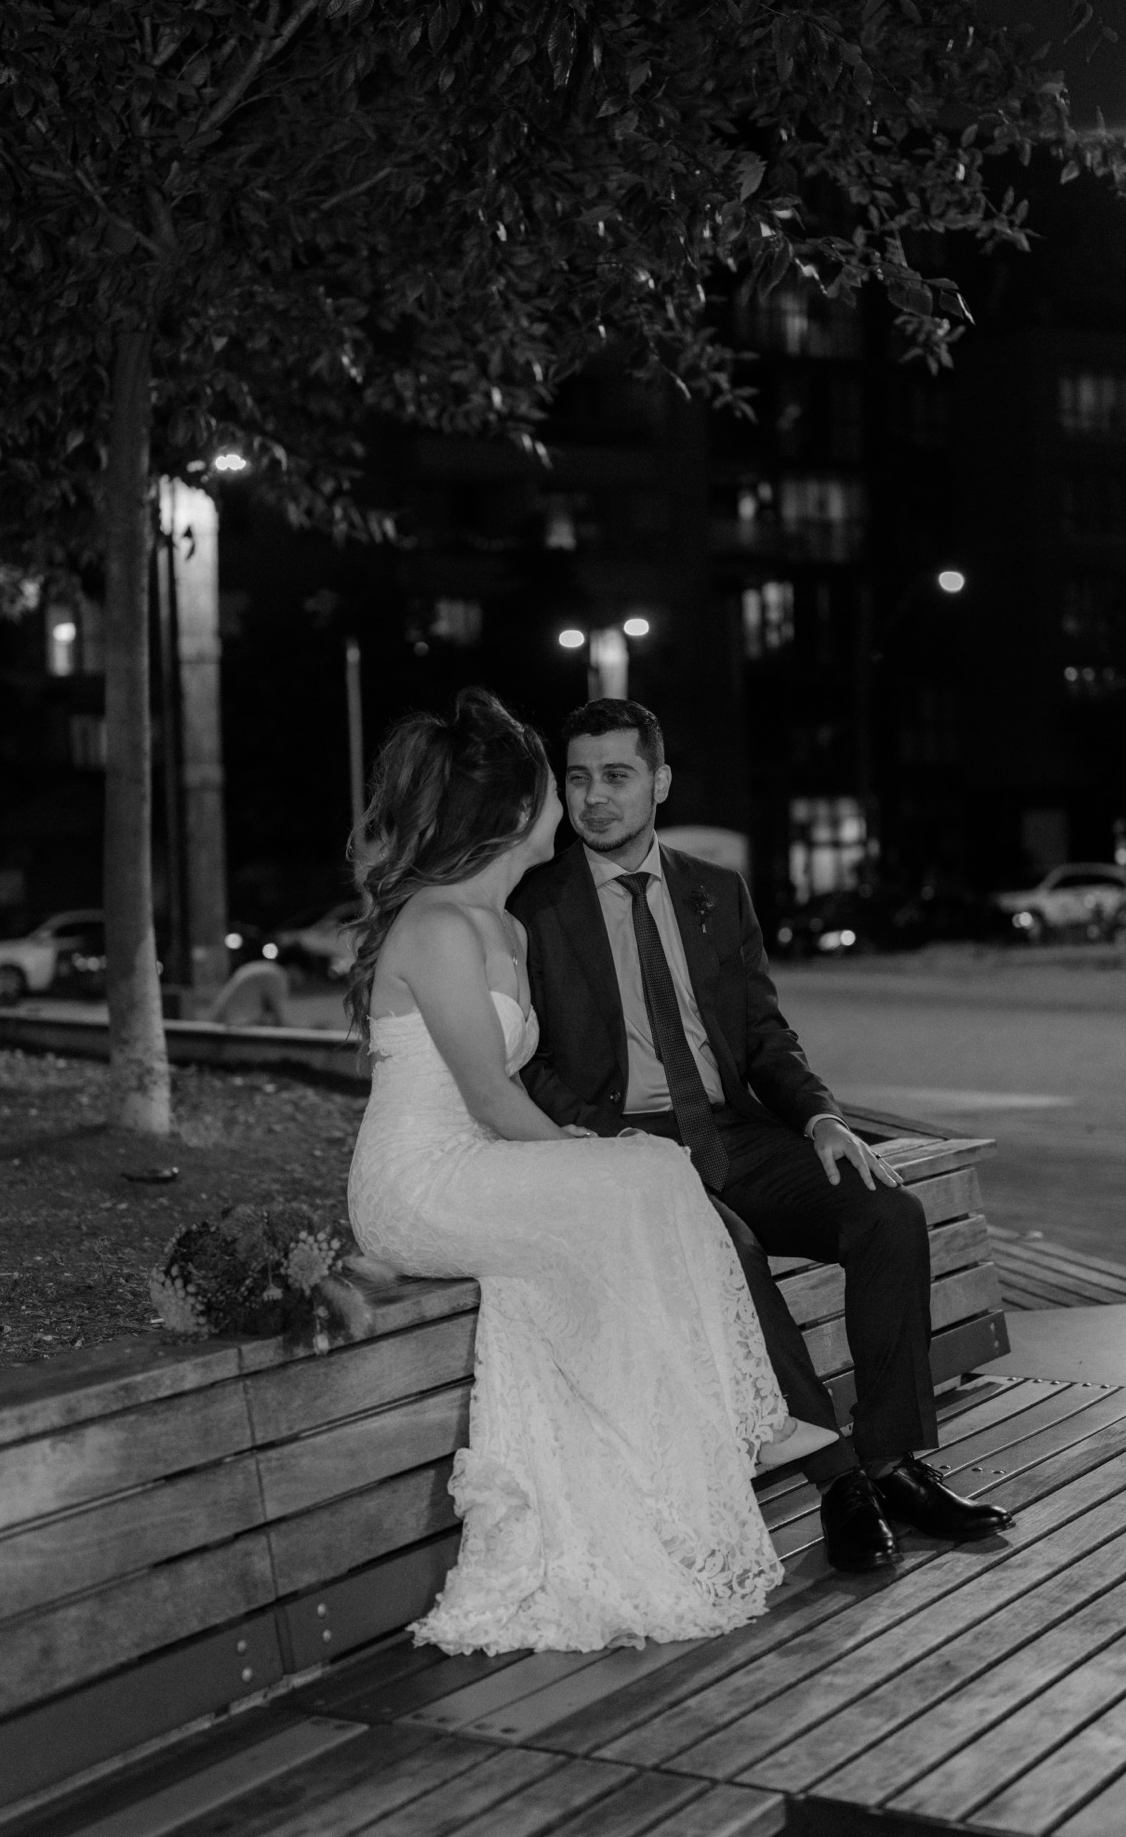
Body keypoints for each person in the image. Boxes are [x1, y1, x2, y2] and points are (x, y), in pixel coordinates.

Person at [344, 687, 840, 1658]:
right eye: (551, 787)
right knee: (646, 1175)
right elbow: (490, 1095)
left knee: (648, 1181)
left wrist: (588, 1154)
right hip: (418, 1181)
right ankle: (745, 1418)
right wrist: (585, 1154)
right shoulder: (440, 926)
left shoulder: (505, 926)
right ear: (510, 813)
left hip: (482, 1163)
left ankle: (678, 1464)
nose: (567, 805)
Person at [510, 697, 1010, 1574]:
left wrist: (821, 1117)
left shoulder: (715, 890)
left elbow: (763, 1036)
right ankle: (838, 1481)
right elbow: (531, 1064)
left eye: (617, 775)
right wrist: (610, 1142)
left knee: (887, 1215)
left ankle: (892, 1461)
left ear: (660, 782)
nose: (594, 797)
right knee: (728, 1250)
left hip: (731, 1131)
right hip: (626, 1150)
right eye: (579, 778)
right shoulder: (535, 905)